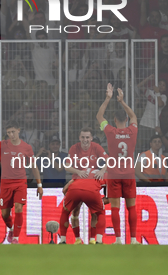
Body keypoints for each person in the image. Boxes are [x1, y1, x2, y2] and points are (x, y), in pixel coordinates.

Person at [0, 123, 43, 244]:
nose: (11, 135)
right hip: (5, 184)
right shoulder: (2, 145)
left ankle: (16, 239)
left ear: (18, 130)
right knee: (5, 214)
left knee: (18, 208)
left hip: (20, 182)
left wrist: (39, 185)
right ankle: (12, 229)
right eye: (9, 133)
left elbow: (34, 166)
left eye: (13, 132)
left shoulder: (26, 147)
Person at [96, 83, 140, 244]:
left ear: (114, 120)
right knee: (132, 207)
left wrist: (108, 98)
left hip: (113, 174)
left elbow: (99, 117)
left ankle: (118, 239)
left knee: (115, 207)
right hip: (129, 174)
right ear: (126, 119)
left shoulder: (110, 131)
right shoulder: (132, 130)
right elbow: (134, 117)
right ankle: (134, 239)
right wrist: (122, 101)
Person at [64, 127, 107, 244]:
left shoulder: (96, 147)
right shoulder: (74, 148)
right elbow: (66, 166)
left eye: (87, 137)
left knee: (94, 213)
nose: (85, 139)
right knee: (75, 211)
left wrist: (102, 170)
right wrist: (78, 172)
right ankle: (78, 239)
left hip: (91, 182)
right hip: (77, 181)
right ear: (79, 138)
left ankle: (92, 239)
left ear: (91, 138)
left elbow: (109, 161)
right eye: (83, 137)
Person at [58, 177, 106, 245]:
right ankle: (96, 240)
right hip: (91, 192)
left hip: (74, 191)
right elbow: (111, 191)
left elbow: (64, 189)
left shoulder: (80, 173)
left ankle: (64, 240)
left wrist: (69, 199)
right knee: (98, 213)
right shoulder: (101, 175)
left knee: (67, 212)